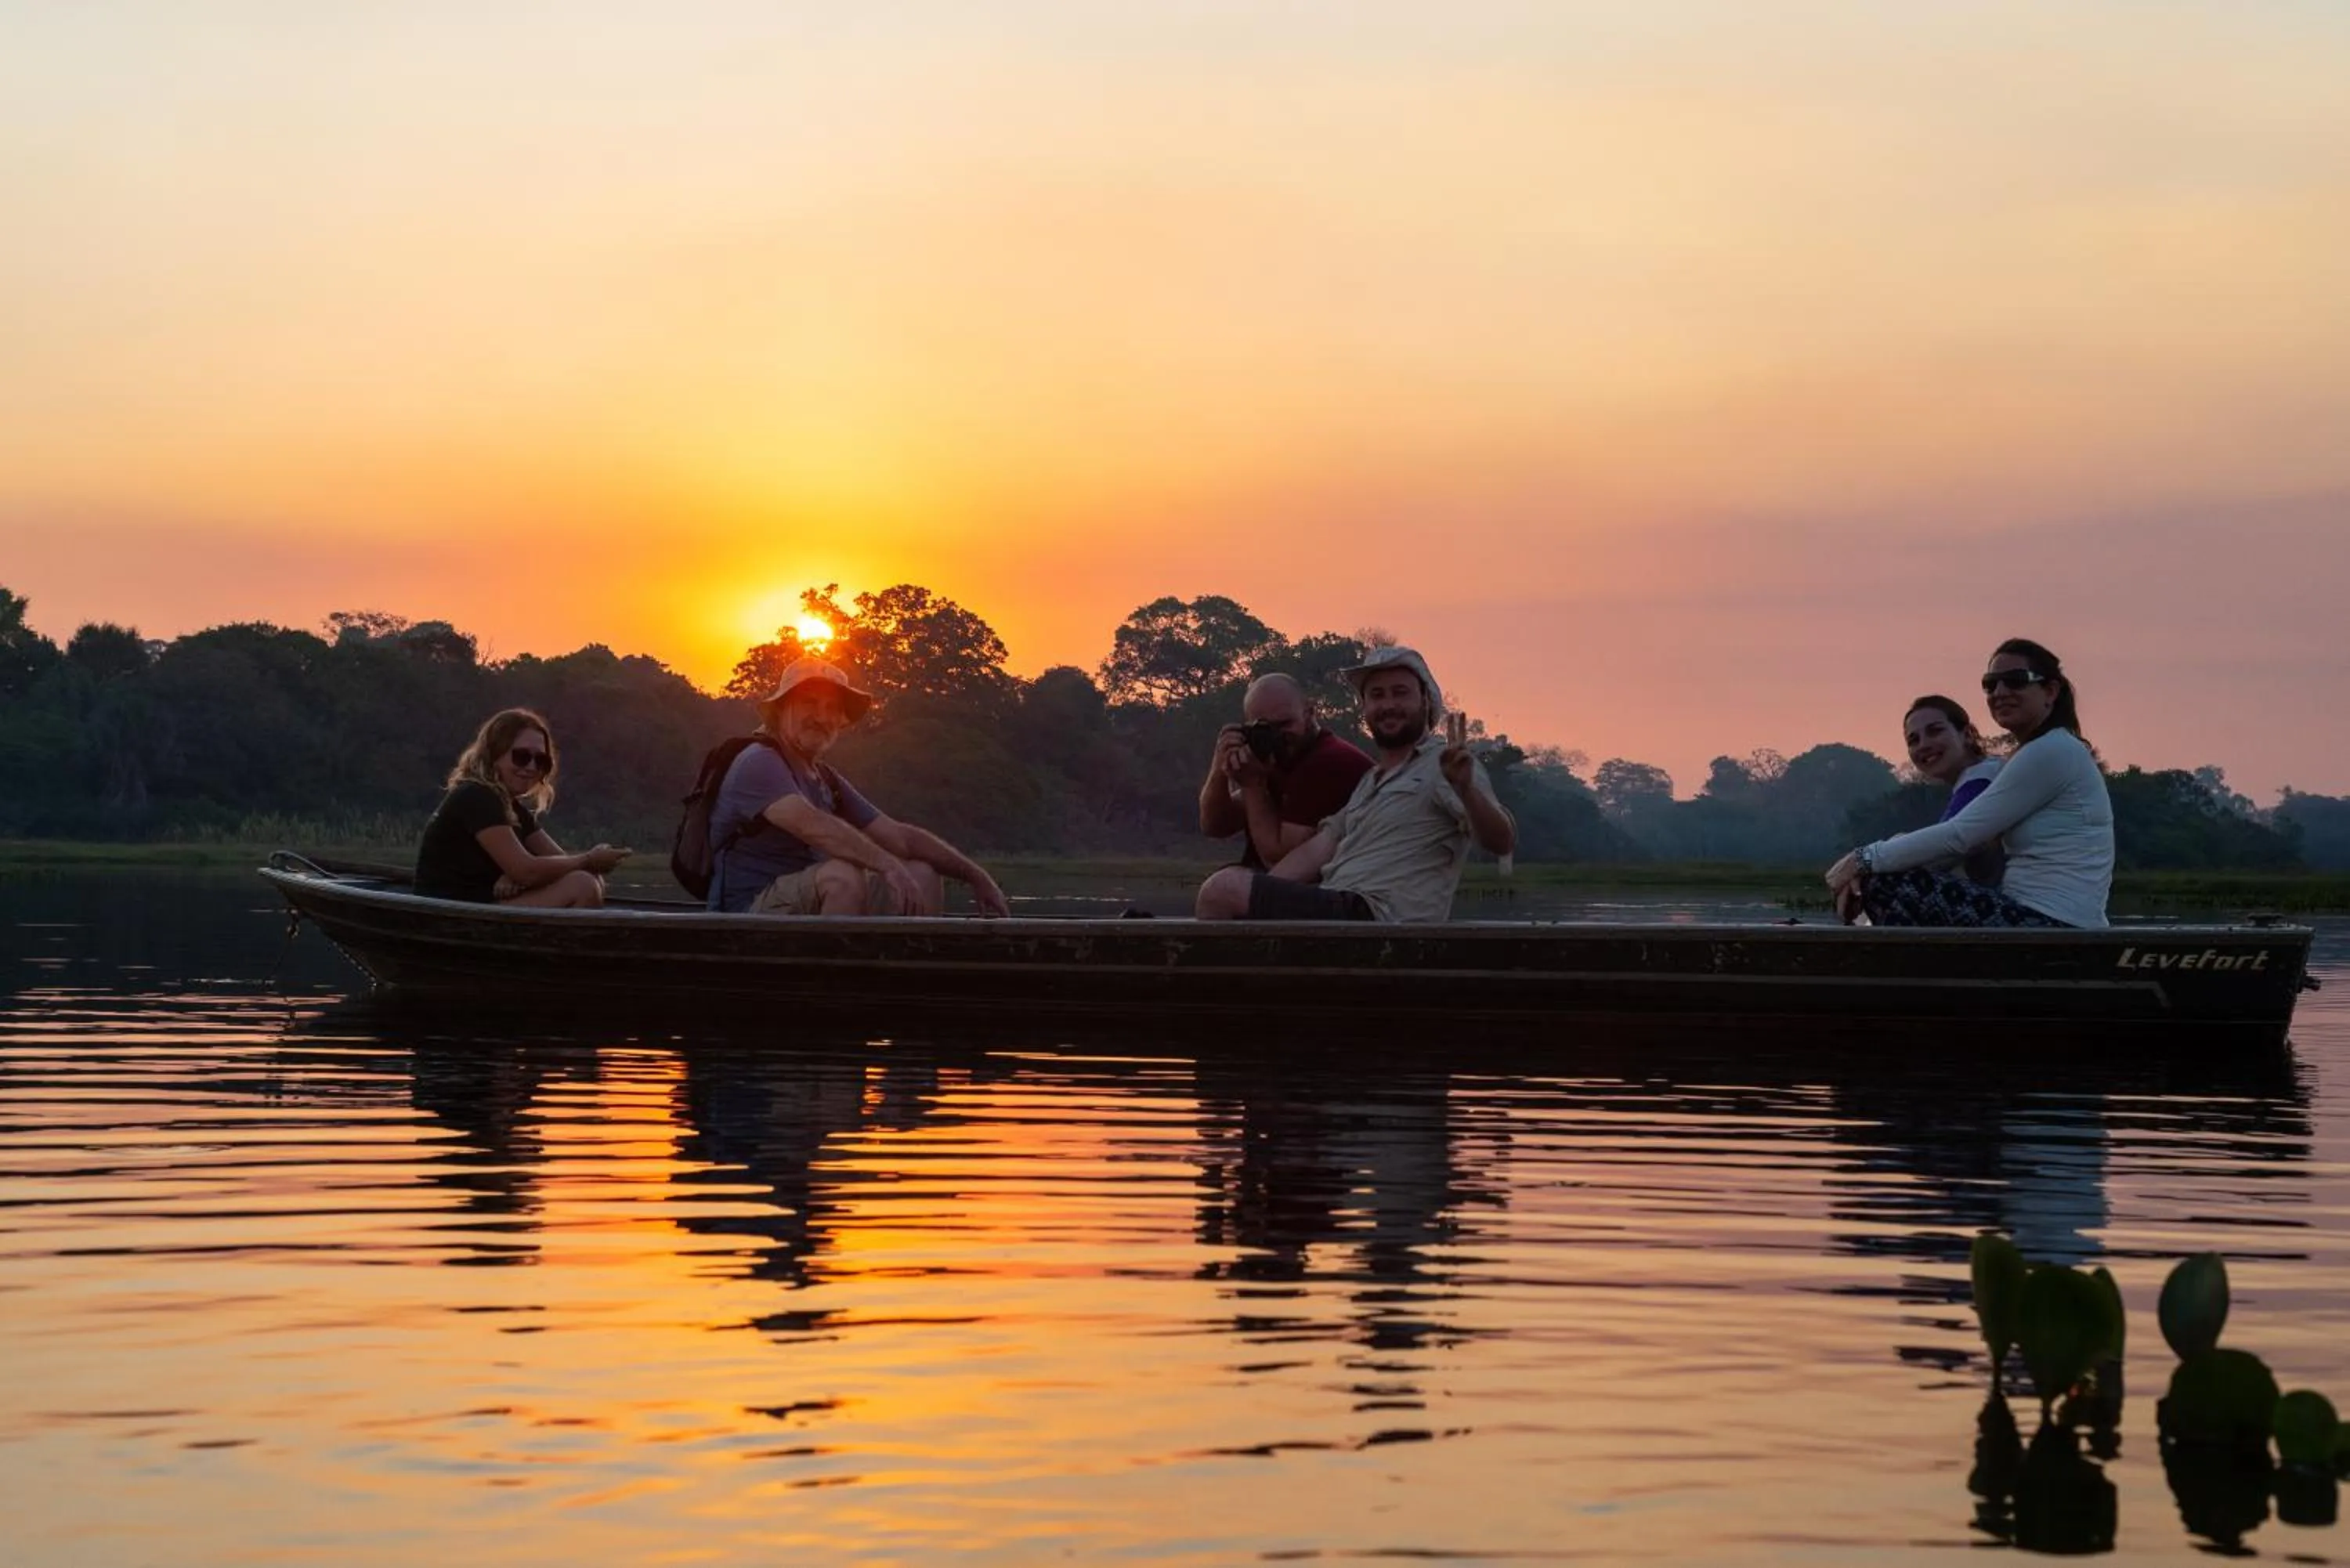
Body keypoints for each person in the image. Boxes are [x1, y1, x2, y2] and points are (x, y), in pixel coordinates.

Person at [1195, 646, 1517, 923]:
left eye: (1400, 693)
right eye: (1377, 695)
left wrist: (1466, 790)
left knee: (1223, 889)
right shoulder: (1369, 784)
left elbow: (1501, 842)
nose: (1388, 704)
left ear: (1426, 702)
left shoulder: (1445, 766)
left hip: (1378, 916)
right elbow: (1314, 853)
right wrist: (1257, 897)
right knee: (1229, 887)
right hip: (1338, 908)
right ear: (1365, 708)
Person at [1826, 640, 2113, 927]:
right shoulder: (2036, 753)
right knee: (1887, 874)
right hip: (2036, 917)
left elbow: (1959, 836)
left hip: (2052, 925)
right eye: (1990, 684)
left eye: (2015, 681)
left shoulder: (2052, 751)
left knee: (1886, 882)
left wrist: (1862, 859)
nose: (2000, 693)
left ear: (2050, 691)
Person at [705, 656, 1012, 918]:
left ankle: (905, 977)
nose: (821, 717)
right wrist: (886, 865)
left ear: (841, 720)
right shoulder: (759, 761)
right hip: (747, 912)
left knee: (921, 875)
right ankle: (834, 985)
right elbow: (813, 826)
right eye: (809, 703)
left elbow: (899, 838)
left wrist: (976, 876)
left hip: (806, 905)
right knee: (843, 878)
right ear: (782, 709)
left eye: (831, 708)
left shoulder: (825, 779)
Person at [414, 708, 628, 906]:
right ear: (495, 755)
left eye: (541, 760)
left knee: (587, 879)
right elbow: (527, 870)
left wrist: (518, 877)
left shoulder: (512, 809)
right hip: (455, 909)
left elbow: (558, 862)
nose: (532, 767)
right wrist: (588, 859)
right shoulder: (476, 796)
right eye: (522, 757)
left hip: (484, 907)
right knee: (582, 885)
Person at [1198, 672, 1374, 869]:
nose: (1278, 736)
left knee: (1226, 885)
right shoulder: (1282, 761)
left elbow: (1279, 862)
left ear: (1309, 714)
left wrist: (1252, 785)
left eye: (1285, 724)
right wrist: (1220, 766)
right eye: (1265, 728)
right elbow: (1214, 826)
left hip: (1343, 886)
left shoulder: (1328, 762)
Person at [1904, 692, 2006, 890]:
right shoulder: (1980, 775)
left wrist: (1867, 860)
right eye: (1914, 740)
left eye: (1935, 731)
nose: (1923, 745)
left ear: (1967, 735)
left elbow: (1942, 849)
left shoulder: (1983, 777)